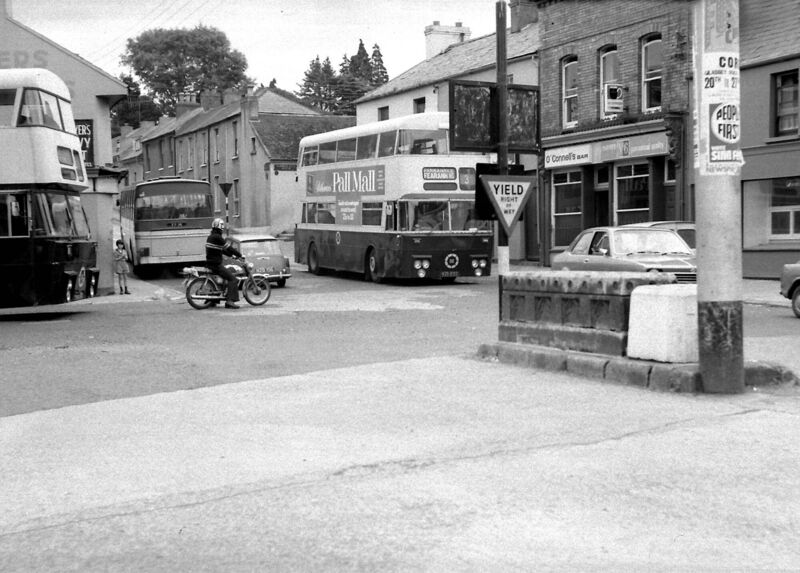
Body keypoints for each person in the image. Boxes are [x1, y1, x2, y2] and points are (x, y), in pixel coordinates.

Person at [205, 218, 242, 309]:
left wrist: (230, 255)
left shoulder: (211, 236)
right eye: (222, 226)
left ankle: (212, 300)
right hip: (216, 264)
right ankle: (230, 301)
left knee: (222, 280)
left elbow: (221, 249)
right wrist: (238, 254)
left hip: (210, 263)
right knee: (233, 279)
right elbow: (228, 247)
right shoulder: (218, 237)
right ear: (220, 227)